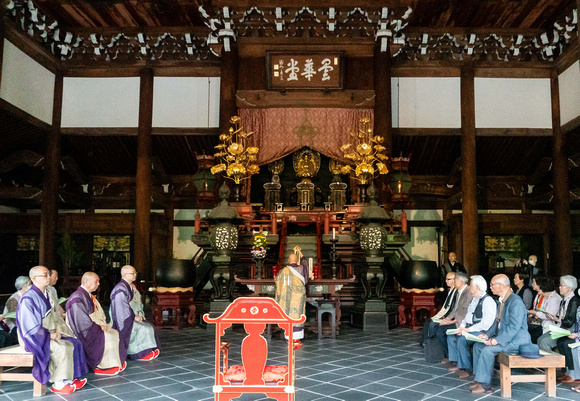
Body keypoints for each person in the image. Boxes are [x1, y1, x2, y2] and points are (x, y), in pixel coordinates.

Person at [16, 266, 88, 394]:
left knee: (75, 342)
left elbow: (55, 316)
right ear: (34, 278)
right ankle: (59, 383)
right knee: (62, 348)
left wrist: (63, 331)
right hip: (34, 337)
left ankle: (71, 378)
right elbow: (30, 327)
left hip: (50, 332)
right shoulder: (28, 299)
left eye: (49, 274)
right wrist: (49, 335)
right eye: (45, 275)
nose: (49, 277)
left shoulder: (48, 293)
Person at [470, 274, 531, 394]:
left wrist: (496, 340)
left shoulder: (515, 302)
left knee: (487, 350)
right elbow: (497, 322)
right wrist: (488, 335)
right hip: (506, 338)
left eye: (492, 284)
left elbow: (514, 327)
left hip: (517, 340)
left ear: (501, 285)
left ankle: (486, 385)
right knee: (478, 346)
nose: (490, 287)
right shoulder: (502, 300)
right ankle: (479, 379)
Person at [66, 272, 125, 375]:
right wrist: (98, 328)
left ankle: (114, 361)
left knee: (114, 332)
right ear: (86, 282)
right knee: (107, 336)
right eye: (96, 281)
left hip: (92, 326)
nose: (98, 284)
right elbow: (81, 321)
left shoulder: (88, 295)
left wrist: (103, 324)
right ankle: (101, 366)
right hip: (83, 331)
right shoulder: (76, 298)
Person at [447, 275, 497, 380]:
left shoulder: (488, 301)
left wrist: (468, 330)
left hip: (483, 331)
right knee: (455, 336)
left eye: (471, 286)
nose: (470, 288)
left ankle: (466, 369)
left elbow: (486, 324)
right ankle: (461, 365)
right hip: (472, 329)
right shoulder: (474, 299)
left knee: (462, 339)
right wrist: (461, 327)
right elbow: (467, 317)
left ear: (477, 287)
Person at [110, 265, 159, 362]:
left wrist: (140, 313)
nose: (135, 275)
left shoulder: (131, 287)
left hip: (132, 316)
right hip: (124, 320)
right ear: (124, 275)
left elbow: (139, 303)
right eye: (132, 273)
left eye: (135, 273)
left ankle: (148, 350)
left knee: (149, 326)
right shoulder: (120, 289)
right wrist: (134, 317)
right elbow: (122, 310)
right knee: (144, 328)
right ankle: (138, 354)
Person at [536, 275, 579, 383]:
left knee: (547, 342)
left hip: (569, 330)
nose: (559, 287)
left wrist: (558, 319)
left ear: (570, 287)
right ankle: (565, 371)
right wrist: (555, 318)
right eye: (560, 285)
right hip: (561, 328)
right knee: (540, 339)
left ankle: (553, 370)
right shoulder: (564, 300)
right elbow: (562, 317)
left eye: (562, 285)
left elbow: (570, 321)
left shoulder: (574, 301)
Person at [275, 246, 309, 349]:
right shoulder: (301, 268)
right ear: (296, 260)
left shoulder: (284, 270)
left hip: (287, 299)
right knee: (298, 316)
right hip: (298, 298)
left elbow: (277, 281)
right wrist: (300, 252)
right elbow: (305, 263)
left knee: (288, 315)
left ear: (288, 260)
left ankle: (289, 337)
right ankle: (297, 339)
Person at [436, 272, 473, 360]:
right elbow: (455, 309)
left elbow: (466, 312)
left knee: (441, 331)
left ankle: (450, 356)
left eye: (455, 280)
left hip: (461, 323)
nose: (454, 282)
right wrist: (447, 319)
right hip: (456, 320)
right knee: (438, 328)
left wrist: (452, 321)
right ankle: (448, 355)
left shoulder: (468, 292)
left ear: (461, 281)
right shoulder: (458, 292)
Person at [420, 272, 457, 347]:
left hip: (451, 318)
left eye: (448, 279)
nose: (446, 281)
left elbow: (453, 309)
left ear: (455, 280)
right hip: (446, 315)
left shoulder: (456, 292)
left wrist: (445, 318)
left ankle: (429, 344)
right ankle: (426, 343)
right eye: (446, 279)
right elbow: (445, 307)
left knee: (432, 324)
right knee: (428, 321)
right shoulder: (450, 291)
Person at [1, 276, 32, 347]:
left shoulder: (27, 296)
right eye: (30, 284)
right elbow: (13, 317)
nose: (32, 286)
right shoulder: (14, 299)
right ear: (23, 286)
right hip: (13, 326)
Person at [527, 276, 559, 343]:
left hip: (551, 327)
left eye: (539, 287)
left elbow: (549, 315)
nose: (538, 288)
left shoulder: (555, 299)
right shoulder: (545, 297)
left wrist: (535, 313)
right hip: (542, 325)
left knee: (536, 338)